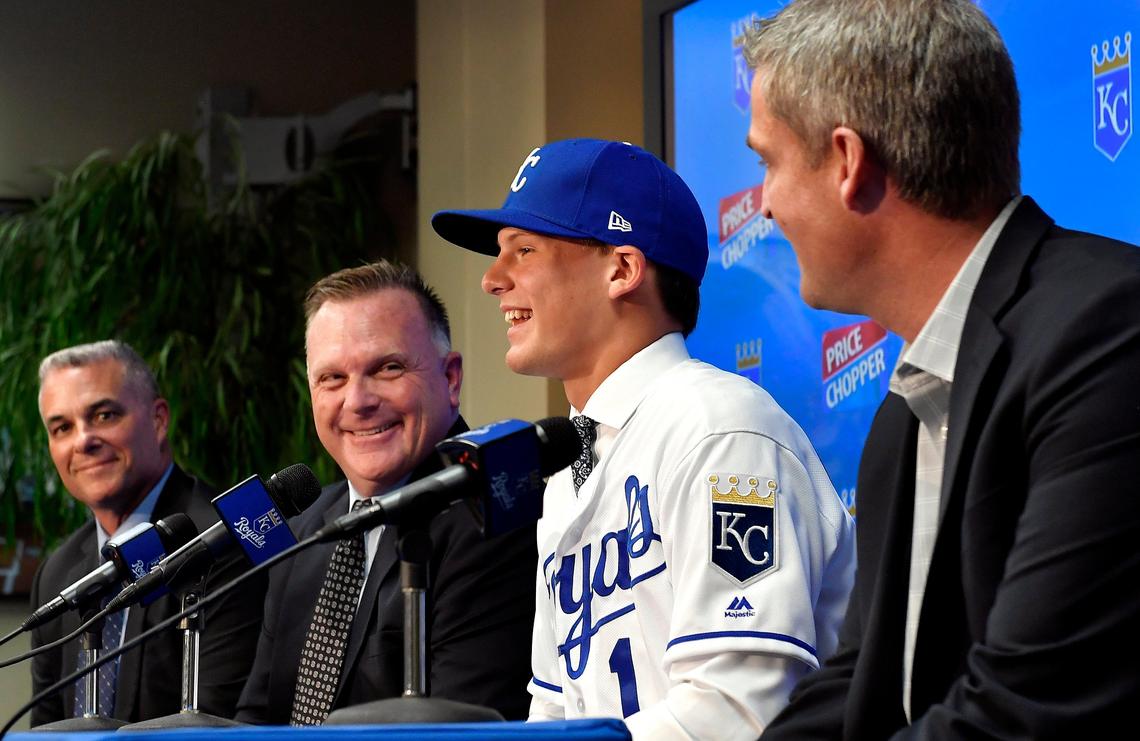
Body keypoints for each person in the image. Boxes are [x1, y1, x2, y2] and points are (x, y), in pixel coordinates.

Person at [740, 1, 1140, 738]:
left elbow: (1029, 708)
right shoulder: (904, 414)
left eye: (768, 162)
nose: (761, 206)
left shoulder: (1108, 333)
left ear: (848, 164)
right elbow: (854, 686)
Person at [432, 138, 856, 739]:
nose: (492, 280)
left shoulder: (719, 428)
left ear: (623, 270)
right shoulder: (568, 465)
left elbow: (741, 711)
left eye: (523, 250)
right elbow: (554, 712)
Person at [235, 260, 536, 725]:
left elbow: (464, 730)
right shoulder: (305, 529)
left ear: (450, 379)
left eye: (388, 368)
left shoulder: (492, 514)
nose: (357, 401)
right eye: (332, 378)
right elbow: (257, 719)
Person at [30, 340, 265, 725]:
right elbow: (45, 729)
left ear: (158, 420)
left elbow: (217, 725)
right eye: (62, 428)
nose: (83, 440)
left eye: (104, 415)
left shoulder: (224, 539)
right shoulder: (57, 573)